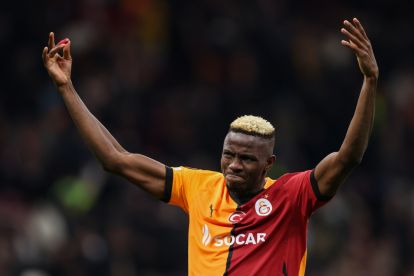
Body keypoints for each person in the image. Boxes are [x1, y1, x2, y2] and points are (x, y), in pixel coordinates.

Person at [42, 17, 378, 276]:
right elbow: (115, 159)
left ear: (268, 164)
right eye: (229, 155)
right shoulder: (198, 187)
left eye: (246, 158)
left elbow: (349, 157)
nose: (233, 164)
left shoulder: (291, 196)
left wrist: (369, 81)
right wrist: (67, 88)